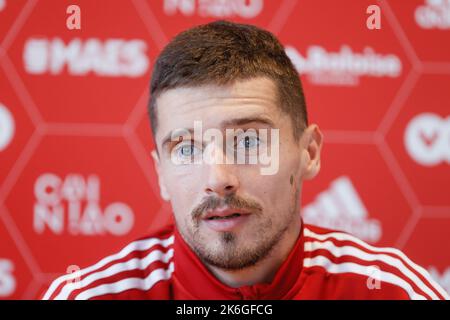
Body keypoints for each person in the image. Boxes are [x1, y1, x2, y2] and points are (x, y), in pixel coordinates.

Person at [43, 20, 448, 300]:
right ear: (161, 173)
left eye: (250, 141)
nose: (219, 179)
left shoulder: (393, 289)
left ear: (308, 153)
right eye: (186, 147)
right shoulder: (88, 294)